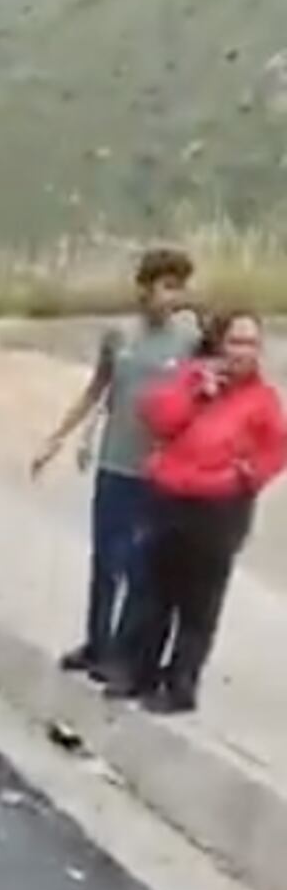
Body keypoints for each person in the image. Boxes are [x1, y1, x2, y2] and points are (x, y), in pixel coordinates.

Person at [31, 247, 199, 679]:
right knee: (105, 563)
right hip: (114, 467)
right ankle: (97, 645)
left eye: (179, 288)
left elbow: (200, 403)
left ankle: (127, 655)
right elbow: (99, 391)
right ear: (144, 288)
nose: (172, 297)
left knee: (141, 567)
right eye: (165, 286)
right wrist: (60, 438)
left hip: (157, 473)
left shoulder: (189, 341)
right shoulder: (119, 336)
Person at [123, 310, 287, 714]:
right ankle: (141, 673)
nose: (242, 352)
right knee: (156, 593)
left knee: (199, 603)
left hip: (218, 509)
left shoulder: (263, 399)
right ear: (219, 344)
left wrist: (246, 477)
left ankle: (181, 686)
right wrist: (196, 393)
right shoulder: (194, 377)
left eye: (251, 343)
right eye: (236, 341)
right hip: (171, 496)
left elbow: (277, 448)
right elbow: (156, 416)